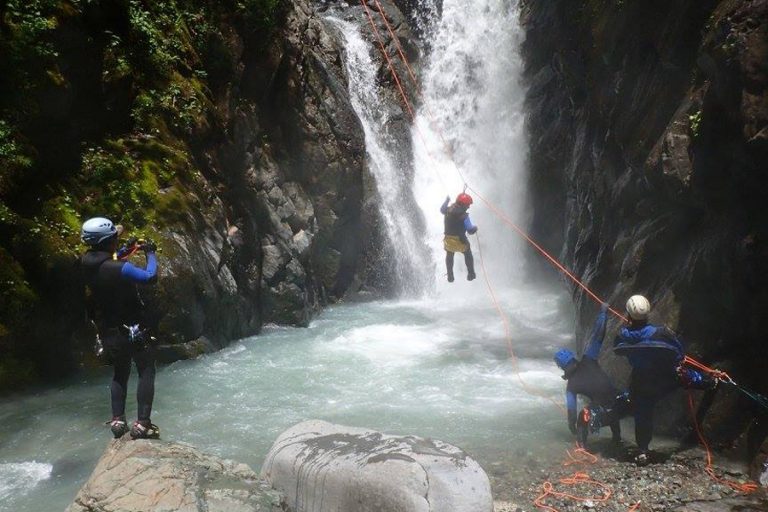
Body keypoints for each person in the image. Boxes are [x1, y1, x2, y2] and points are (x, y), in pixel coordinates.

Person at [80, 217, 160, 440]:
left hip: (108, 330)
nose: (118, 239)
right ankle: (143, 424)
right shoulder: (121, 269)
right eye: (116, 237)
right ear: (108, 241)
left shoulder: (85, 261)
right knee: (146, 370)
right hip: (132, 328)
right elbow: (150, 277)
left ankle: (117, 420)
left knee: (120, 373)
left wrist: (128, 248)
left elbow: (109, 262)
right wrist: (150, 253)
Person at [613, 294, 716, 465]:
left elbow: (618, 350)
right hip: (665, 376)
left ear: (628, 315)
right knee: (687, 377)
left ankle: (643, 450)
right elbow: (679, 353)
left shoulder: (622, 337)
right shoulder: (662, 333)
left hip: (642, 381)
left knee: (643, 413)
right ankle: (711, 383)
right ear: (647, 313)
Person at [554, 303, 630, 447]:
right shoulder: (588, 359)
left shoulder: (571, 386)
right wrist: (603, 313)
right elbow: (598, 336)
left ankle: (581, 446)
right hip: (625, 404)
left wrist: (572, 426)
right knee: (611, 398)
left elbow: (571, 412)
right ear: (572, 357)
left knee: (583, 417)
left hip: (604, 414)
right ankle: (617, 439)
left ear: (561, 367)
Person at [441, 193, 478, 282]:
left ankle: (450, 275)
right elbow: (470, 230)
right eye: (468, 205)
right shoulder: (464, 216)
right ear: (464, 205)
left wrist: (446, 200)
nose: (469, 207)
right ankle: (471, 274)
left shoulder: (447, 210)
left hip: (448, 240)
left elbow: (442, 209)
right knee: (468, 253)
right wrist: (475, 228)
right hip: (460, 241)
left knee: (449, 254)